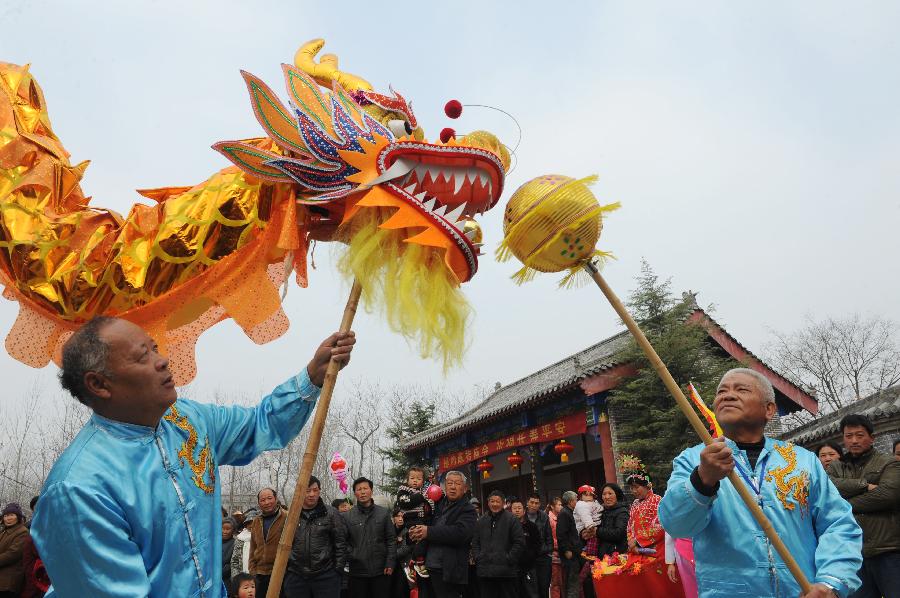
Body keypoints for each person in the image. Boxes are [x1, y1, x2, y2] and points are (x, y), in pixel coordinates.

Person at [30, 316, 355, 597]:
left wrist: (313, 375)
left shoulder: (187, 420)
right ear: (99, 384)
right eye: (143, 356)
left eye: (155, 347)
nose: (162, 361)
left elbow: (260, 424)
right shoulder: (77, 490)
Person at [659, 368, 863, 598]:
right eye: (721, 391)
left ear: (769, 409)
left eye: (741, 389)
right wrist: (703, 480)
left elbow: (838, 524)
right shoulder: (694, 460)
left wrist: (831, 583)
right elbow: (676, 526)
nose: (727, 395)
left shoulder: (802, 461)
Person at [827, 414, 900, 598]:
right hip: (853, 553)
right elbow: (829, 488)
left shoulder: (888, 462)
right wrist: (865, 486)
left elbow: (887, 495)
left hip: (887, 550)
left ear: (871, 438)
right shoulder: (836, 467)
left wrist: (846, 504)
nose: (854, 440)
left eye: (859, 435)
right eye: (848, 436)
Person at [408, 470, 476, 598]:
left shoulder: (468, 509)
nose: (453, 487)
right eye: (449, 483)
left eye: (457, 483)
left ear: (465, 488)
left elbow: (460, 533)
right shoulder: (438, 504)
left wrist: (428, 531)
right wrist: (416, 532)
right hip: (428, 568)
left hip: (449, 571)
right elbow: (425, 520)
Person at [283, 475, 348, 597]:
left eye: (315, 490)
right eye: (307, 491)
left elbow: (341, 543)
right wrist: (287, 570)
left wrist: (338, 570)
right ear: (300, 492)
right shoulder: (291, 515)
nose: (311, 494)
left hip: (326, 575)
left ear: (319, 491)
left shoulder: (331, 513)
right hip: (296, 575)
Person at [343, 476, 397, 597]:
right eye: (359, 489)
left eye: (365, 488)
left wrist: (390, 562)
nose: (362, 492)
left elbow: (391, 540)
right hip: (357, 571)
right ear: (355, 493)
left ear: (371, 491)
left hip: (381, 570)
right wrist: (353, 554)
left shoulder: (383, 513)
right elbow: (342, 542)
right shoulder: (347, 516)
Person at [471, 491, 523, 598]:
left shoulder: (511, 519)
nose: (494, 504)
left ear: (503, 503)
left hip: (506, 572)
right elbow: (475, 542)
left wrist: (509, 558)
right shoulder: (481, 521)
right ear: (488, 503)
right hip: (485, 572)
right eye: (492, 501)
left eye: (497, 501)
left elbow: (519, 542)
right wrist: (478, 557)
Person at [395, 467, 434, 579]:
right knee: (422, 538)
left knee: (421, 540)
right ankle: (419, 562)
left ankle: (412, 563)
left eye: (418, 479)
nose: (415, 481)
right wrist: (420, 497)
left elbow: (428, 506)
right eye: (412, 478)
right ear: (407, 480)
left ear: (423, 481)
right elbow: (404, 502)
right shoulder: (403, 490)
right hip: (411, 519)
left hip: (421, 519)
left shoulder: (424, 492)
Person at [250, 487, 288, 597]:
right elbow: (253, 547)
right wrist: (252, 571)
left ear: (276, 499)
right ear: (259, 503)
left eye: (269, 498)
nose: (266, 502)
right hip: (260, 573)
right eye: (262, 500)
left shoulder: (287, 517)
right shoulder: (257, 521)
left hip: (281, 573)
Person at [510, 497, 540, 598]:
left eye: (519, 508)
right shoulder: (507, 527)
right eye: (514, 508)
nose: (517, 510)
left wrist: (530, 557)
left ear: (524, 510)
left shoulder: (532, 526)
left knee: (531, 593)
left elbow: (537, 545)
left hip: (529, 567)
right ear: (511, 510)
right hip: (512, 568)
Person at [525, 493, 553, 598]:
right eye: (531, 502)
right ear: (527, 503)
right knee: (532, 589)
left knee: (544, 587)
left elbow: (549, 538)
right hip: (529, 558)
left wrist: (547, 551)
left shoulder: (544, 516)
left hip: (543, 556)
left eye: (536, 503)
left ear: (539, 504)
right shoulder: (523, 517)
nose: (534, 505)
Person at [555, 491, 582, 598]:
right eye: (576, 499)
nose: (577, 501)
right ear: (571, 501)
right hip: (570, 553)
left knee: (574, 579)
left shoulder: (570, 512)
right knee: (572, 581)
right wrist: (566, 550)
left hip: (575, 551)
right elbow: (561, 534)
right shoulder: (564, 513)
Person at [21, 496, 48, 598]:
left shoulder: (54, 525)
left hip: (45, 578)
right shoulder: (28, 527)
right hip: (29, 574)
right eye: (36, 507)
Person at [0, 503, 27, 597]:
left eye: (11, 515)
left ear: (18, 517)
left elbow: (12, 554)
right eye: (6, 515)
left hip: (8, 581)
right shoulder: (4, 532)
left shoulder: (22, 532)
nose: (8, 518)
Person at [595, 483, 628, 556]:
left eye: (610, 493)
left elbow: (618, 533)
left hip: (616, 555)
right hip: (602, 553)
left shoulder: (622, 512)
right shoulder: (601, 510)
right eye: (604, 494)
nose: (607, 497)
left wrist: (596, 531)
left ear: (617, 495)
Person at [665, 532, 697, 598]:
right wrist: (670, 562)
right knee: (691, 588)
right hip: (684, 553)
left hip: (710, 550)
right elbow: (669, 533)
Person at [389, 509, 411, 598]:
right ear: (393, 518)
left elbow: (406, 548)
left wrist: (390, 555)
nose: (400, 519)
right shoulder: (389, 530)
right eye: (398, 516)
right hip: (391, 565)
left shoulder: (408, 531)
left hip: (403, 565)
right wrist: (395, 541)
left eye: (402, 516)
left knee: (401, 590)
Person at [547, 497, 563, 598]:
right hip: (554, 553)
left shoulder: (559, 517)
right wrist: (562, 543)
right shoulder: (549, 519)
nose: (561, 507)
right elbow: (550, 538)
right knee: (555, 583)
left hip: (560, 552)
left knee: (561, 581)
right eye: (559, 505)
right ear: (552, 506)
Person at [232, 516, 253, 580]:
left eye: (254, 523)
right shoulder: (240, 538)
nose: (251, 525)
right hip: (241, 576)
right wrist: (236, 578)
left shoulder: (262, 538)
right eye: (249, 523)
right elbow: (234, 561)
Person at [222, 518, 237, 586]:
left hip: (226, 580)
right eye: (223, 528)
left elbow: (232, 563)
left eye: (227, 529)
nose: (224, 531)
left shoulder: (235, 543)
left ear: (233, 531)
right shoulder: (214, 542)